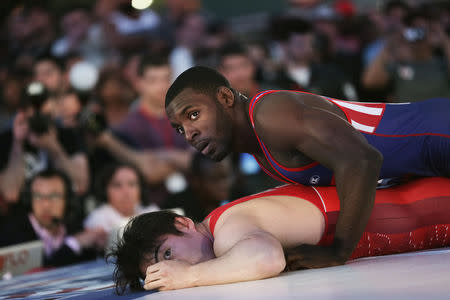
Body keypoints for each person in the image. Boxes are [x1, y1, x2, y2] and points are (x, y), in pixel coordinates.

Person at [164, 66, 450, 268]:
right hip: (431, 160)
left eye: (193, 114)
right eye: (180, 129)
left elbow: (362, 161)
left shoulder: (271, 116)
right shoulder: (261, 146)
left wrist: (338, 250)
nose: (189, 133)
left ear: (226, 98)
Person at [109, 177, 450, 293]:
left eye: (167, 255)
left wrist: (190, 276)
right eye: (161, 272)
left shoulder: (227, 231)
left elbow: (267, 258)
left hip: (434, 207)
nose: (174, 267)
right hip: (426, 209)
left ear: (182, 223)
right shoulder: (223, 229)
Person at [0, 168, 106, 267]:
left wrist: (99, 247)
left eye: (54, 196)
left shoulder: (73, 225)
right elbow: (40, 270)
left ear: (68, 200)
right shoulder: (11, 233)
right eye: (38, 196)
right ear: (29, 200)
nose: (46, 205)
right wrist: (74, 243)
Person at [84, 163, 159, 233]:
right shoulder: (97, 219)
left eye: (132, 184)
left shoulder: (152, 212)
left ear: (141, 188)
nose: (126, 192)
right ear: (104, 191)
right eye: (117, 185)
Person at [163, 153, 233, 222]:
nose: (224, 184)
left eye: (226, 176)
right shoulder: (175, 207)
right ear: (196, 181)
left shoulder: (237, 198)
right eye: (215, 179)